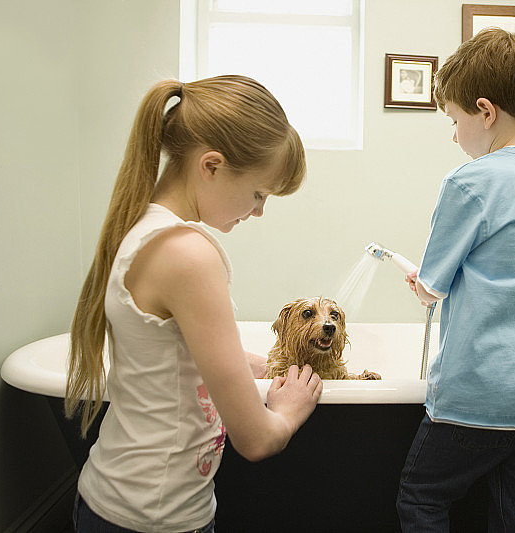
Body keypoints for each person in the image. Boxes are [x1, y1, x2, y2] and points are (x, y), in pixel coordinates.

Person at [65, 75, 323, 533]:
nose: (259, 211)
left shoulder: (141, 225)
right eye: (259, 193)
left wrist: (251, 364)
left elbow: (164, 349)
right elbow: (258, 440)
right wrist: (289, 410)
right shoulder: (189, 254)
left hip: (119, 500)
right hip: (150, 517)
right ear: (211, 166)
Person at [396, 28, 515, 532]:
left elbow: (433, 286)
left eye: (454, 120)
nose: (454, 134)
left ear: (485, 111)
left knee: (422, 498)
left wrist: (420, 281)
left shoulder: (469, 181)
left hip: (480, 391)